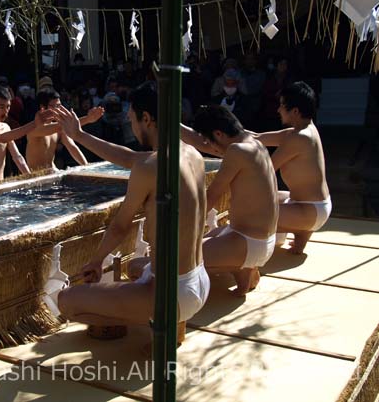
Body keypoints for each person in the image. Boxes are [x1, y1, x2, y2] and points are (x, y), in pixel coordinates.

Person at [54, 85, 209, 332]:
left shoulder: (150, 167)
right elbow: (128, 158)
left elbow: (120, 227)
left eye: (132, 120)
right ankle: (169, 319)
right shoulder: (192, 154)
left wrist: (95, 261)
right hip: (199, 280)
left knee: (67, 301)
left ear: (146, 118)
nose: (131, 126)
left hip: (171, 295)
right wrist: (80, 135)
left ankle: (160, 324)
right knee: (134, 267)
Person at [182, 105, 278, 295]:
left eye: (211, 142)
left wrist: (184, 232)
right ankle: (245, 268)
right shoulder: (254, 142)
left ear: (218, 134)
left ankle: (243, 266)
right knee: (212, 234)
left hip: (249, 242)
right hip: (259, 240)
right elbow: (199, 140)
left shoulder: (237, 151)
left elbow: (211, 197)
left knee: (174, 259)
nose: (213, 149)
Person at [249, 82, 330, 254]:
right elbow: (256, 137)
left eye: (282, 105)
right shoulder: (302, 131)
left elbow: (266, 170)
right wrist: (226, 129)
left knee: (249, 211)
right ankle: (299, 236)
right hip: (307, 204)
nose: (278, 110)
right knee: (274, 196)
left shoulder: (300, 138)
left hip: (310, 210)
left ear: (295, 111)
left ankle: (298, 230)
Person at [26, 88, 103, 171]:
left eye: (59, 105)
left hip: (53, 172)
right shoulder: (34, 128)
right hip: (36, 177)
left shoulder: (58, 129)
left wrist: (86, 167)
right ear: (42, 108)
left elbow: (72, 147)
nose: (59, 110)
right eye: (55, 106)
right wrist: (88, 119)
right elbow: (61, 126)